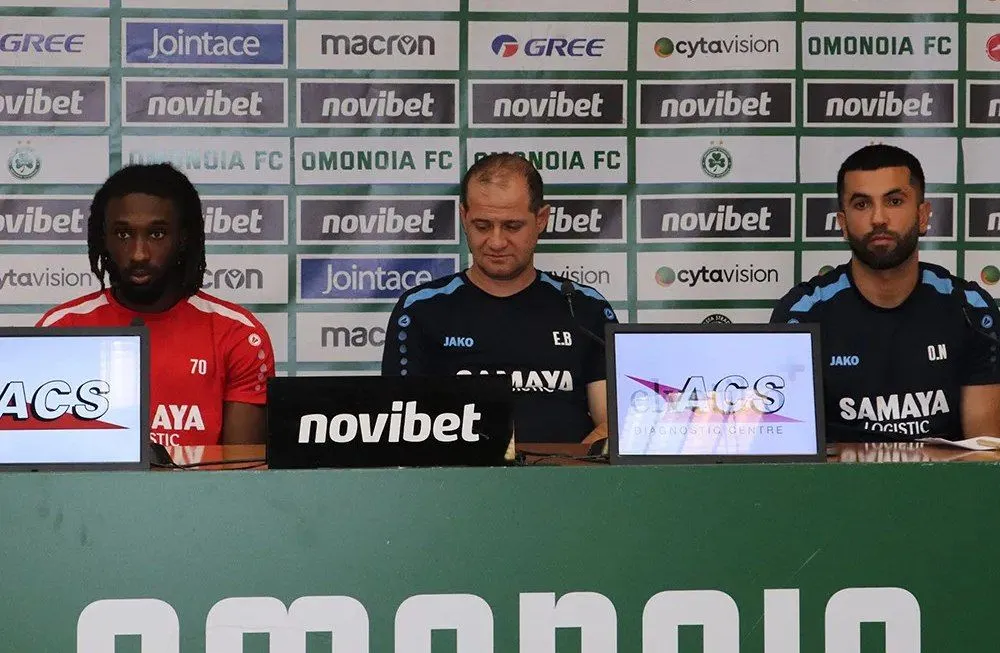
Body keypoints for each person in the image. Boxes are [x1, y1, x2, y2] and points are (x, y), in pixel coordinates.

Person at [381, 153, 618, 443]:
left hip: (569, 471)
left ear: (541, 219)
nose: (496, 242)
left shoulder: (585, 309)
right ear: (464, 217)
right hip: (458, 472)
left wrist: (562, 468)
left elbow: (612, 427)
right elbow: (403, 428)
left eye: (512, 226)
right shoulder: (420, 310)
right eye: (482, 226)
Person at [771, 144, 1000, 442]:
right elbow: (790, 448)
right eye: (862, 204)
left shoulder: (971, 309)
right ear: (843, 223)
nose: (878, 218)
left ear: (923, 215)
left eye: (894, 201)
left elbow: (985, 452)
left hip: (943, 475)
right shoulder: (801, 314)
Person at [37, 163, 275, 446]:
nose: (139, 254)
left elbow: (242, 469)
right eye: (123, 234)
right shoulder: (60, 330)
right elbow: (42, 460)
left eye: (157, 234)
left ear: (183, 238)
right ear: (103, 239)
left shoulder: (238, 335)